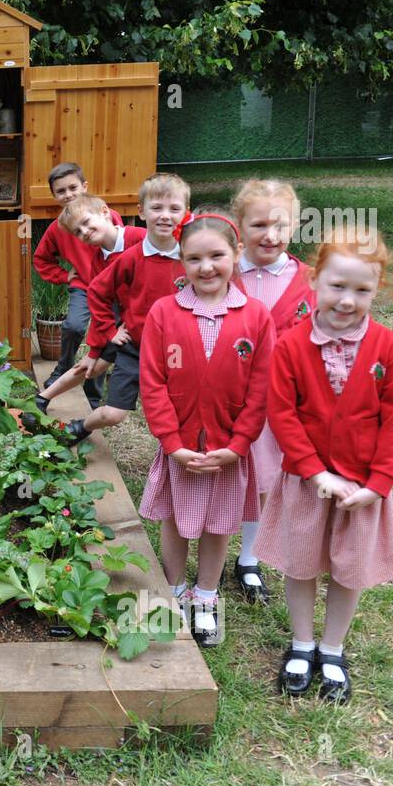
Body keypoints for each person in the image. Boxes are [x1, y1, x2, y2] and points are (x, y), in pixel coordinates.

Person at [255, 228, 393, 703]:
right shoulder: (290, 346)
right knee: (301, 564)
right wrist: (314, 471)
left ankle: (333, 648)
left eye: (362, 290)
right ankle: (302, 643)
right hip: (308, 481)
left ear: (377, 289)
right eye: (337, 286)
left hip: (362, 488)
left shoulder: (391, 350)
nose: (347, 300)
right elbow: (282, 415)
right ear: (314, 281)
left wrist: (379, 482)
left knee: (349, 569)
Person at [137, 212, 275, 647]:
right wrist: (172, 443)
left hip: (227, 452)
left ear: (236, 255)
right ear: (181, 262)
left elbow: (261, 386)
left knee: (219, 525)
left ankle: (207, 597)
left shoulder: (255, 317)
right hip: (182, 449)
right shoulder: (164, 313)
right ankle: (172, 591)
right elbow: (153, 381)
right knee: (175, 520)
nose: (206, 267)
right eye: (194, 258)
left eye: (217, 255)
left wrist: (238, 445)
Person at [38, 172, 190, 444]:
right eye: (78, 231)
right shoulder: (108, 258)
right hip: (130, 326)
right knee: (93, 362)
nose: (84, 233)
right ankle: (44, 399)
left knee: (100, 365)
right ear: (142, 211)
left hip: (148, 327)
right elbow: (99, 295)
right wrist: (106, 335)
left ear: (106, 213)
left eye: (86, 224)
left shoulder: (141, 240)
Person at [229, 179, 316, 603]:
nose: (270, 235)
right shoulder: (221, 269)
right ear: (239, 226)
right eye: (259, 224)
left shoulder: (310, 282)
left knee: (264, 480)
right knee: (222, 476)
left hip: (279, 403)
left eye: (280, 225)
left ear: (294, 226)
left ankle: (248, 558)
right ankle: (203, 552)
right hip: (226, 397)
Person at [31, 164, 124, 408]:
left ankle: (92, 393)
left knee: (104, 339)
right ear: (54, 196)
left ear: (84, 186)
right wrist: (65, 276)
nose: (68, 194)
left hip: (112, 290)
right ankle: (64, 365)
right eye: (61, 191)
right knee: (72, 326)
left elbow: (121, 250)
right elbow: (41, 259)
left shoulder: (107, 215)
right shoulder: (58, 228)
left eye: (73, 187)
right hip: (83, 285)